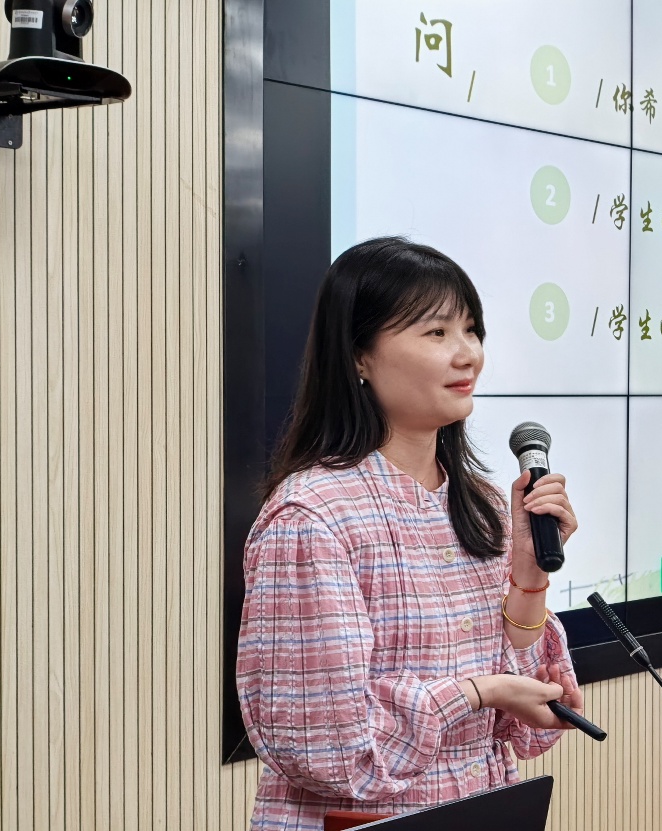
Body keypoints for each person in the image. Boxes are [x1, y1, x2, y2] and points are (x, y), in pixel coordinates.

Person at [236, 237, 584, 830]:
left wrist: (528, 577)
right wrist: (476, 692)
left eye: (472, 330)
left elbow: (516, 722)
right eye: (437, 332)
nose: (467, 354)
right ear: (359, 357)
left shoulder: (480, 505)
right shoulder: (312, 516)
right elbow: (327, 748)